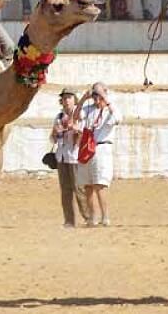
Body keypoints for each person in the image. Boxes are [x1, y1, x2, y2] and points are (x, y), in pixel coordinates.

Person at [74, 82, 121, 227]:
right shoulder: (88, 109)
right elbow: (76, 116)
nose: (96, 99)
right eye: (94, 95)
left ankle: (105, 216)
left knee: (99, 184)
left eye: (98, 95)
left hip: (102, 147)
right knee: (87, 185)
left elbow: (118, 118)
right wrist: (82, 99)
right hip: (87, 147)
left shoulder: (111, 110)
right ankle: (92, 217)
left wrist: (105, 99)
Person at [50, 88, 89, 227]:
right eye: (64, 98)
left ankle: (88, 217)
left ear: (74, 100)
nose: (66, 101)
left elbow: (84, 132)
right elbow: (52, 138)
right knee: (65, 191)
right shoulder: (59, 116)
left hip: (75, 156)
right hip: (62, 155)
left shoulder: (81, 115)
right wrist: (56, 133)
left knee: (79, 189)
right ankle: (69, 220)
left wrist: (73, 128)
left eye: (69, 97)